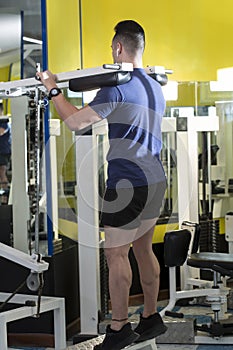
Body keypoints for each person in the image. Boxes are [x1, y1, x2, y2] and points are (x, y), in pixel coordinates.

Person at [37, 20, 167, 350]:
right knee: (143, 249)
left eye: (112, 48)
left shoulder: (117, 87)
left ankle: (120, 328)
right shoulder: (154, 85)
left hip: (127, 185)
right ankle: (151, 317)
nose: (111, 52)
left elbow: (76, 122)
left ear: (119, 48)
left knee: (116, 255)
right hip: (155, 180)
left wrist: (53, 88)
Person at [0, 102, 11, 198]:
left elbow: (1, 132)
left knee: (2, 171)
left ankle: (5, 192)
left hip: (3, 151)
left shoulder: (4, 121)